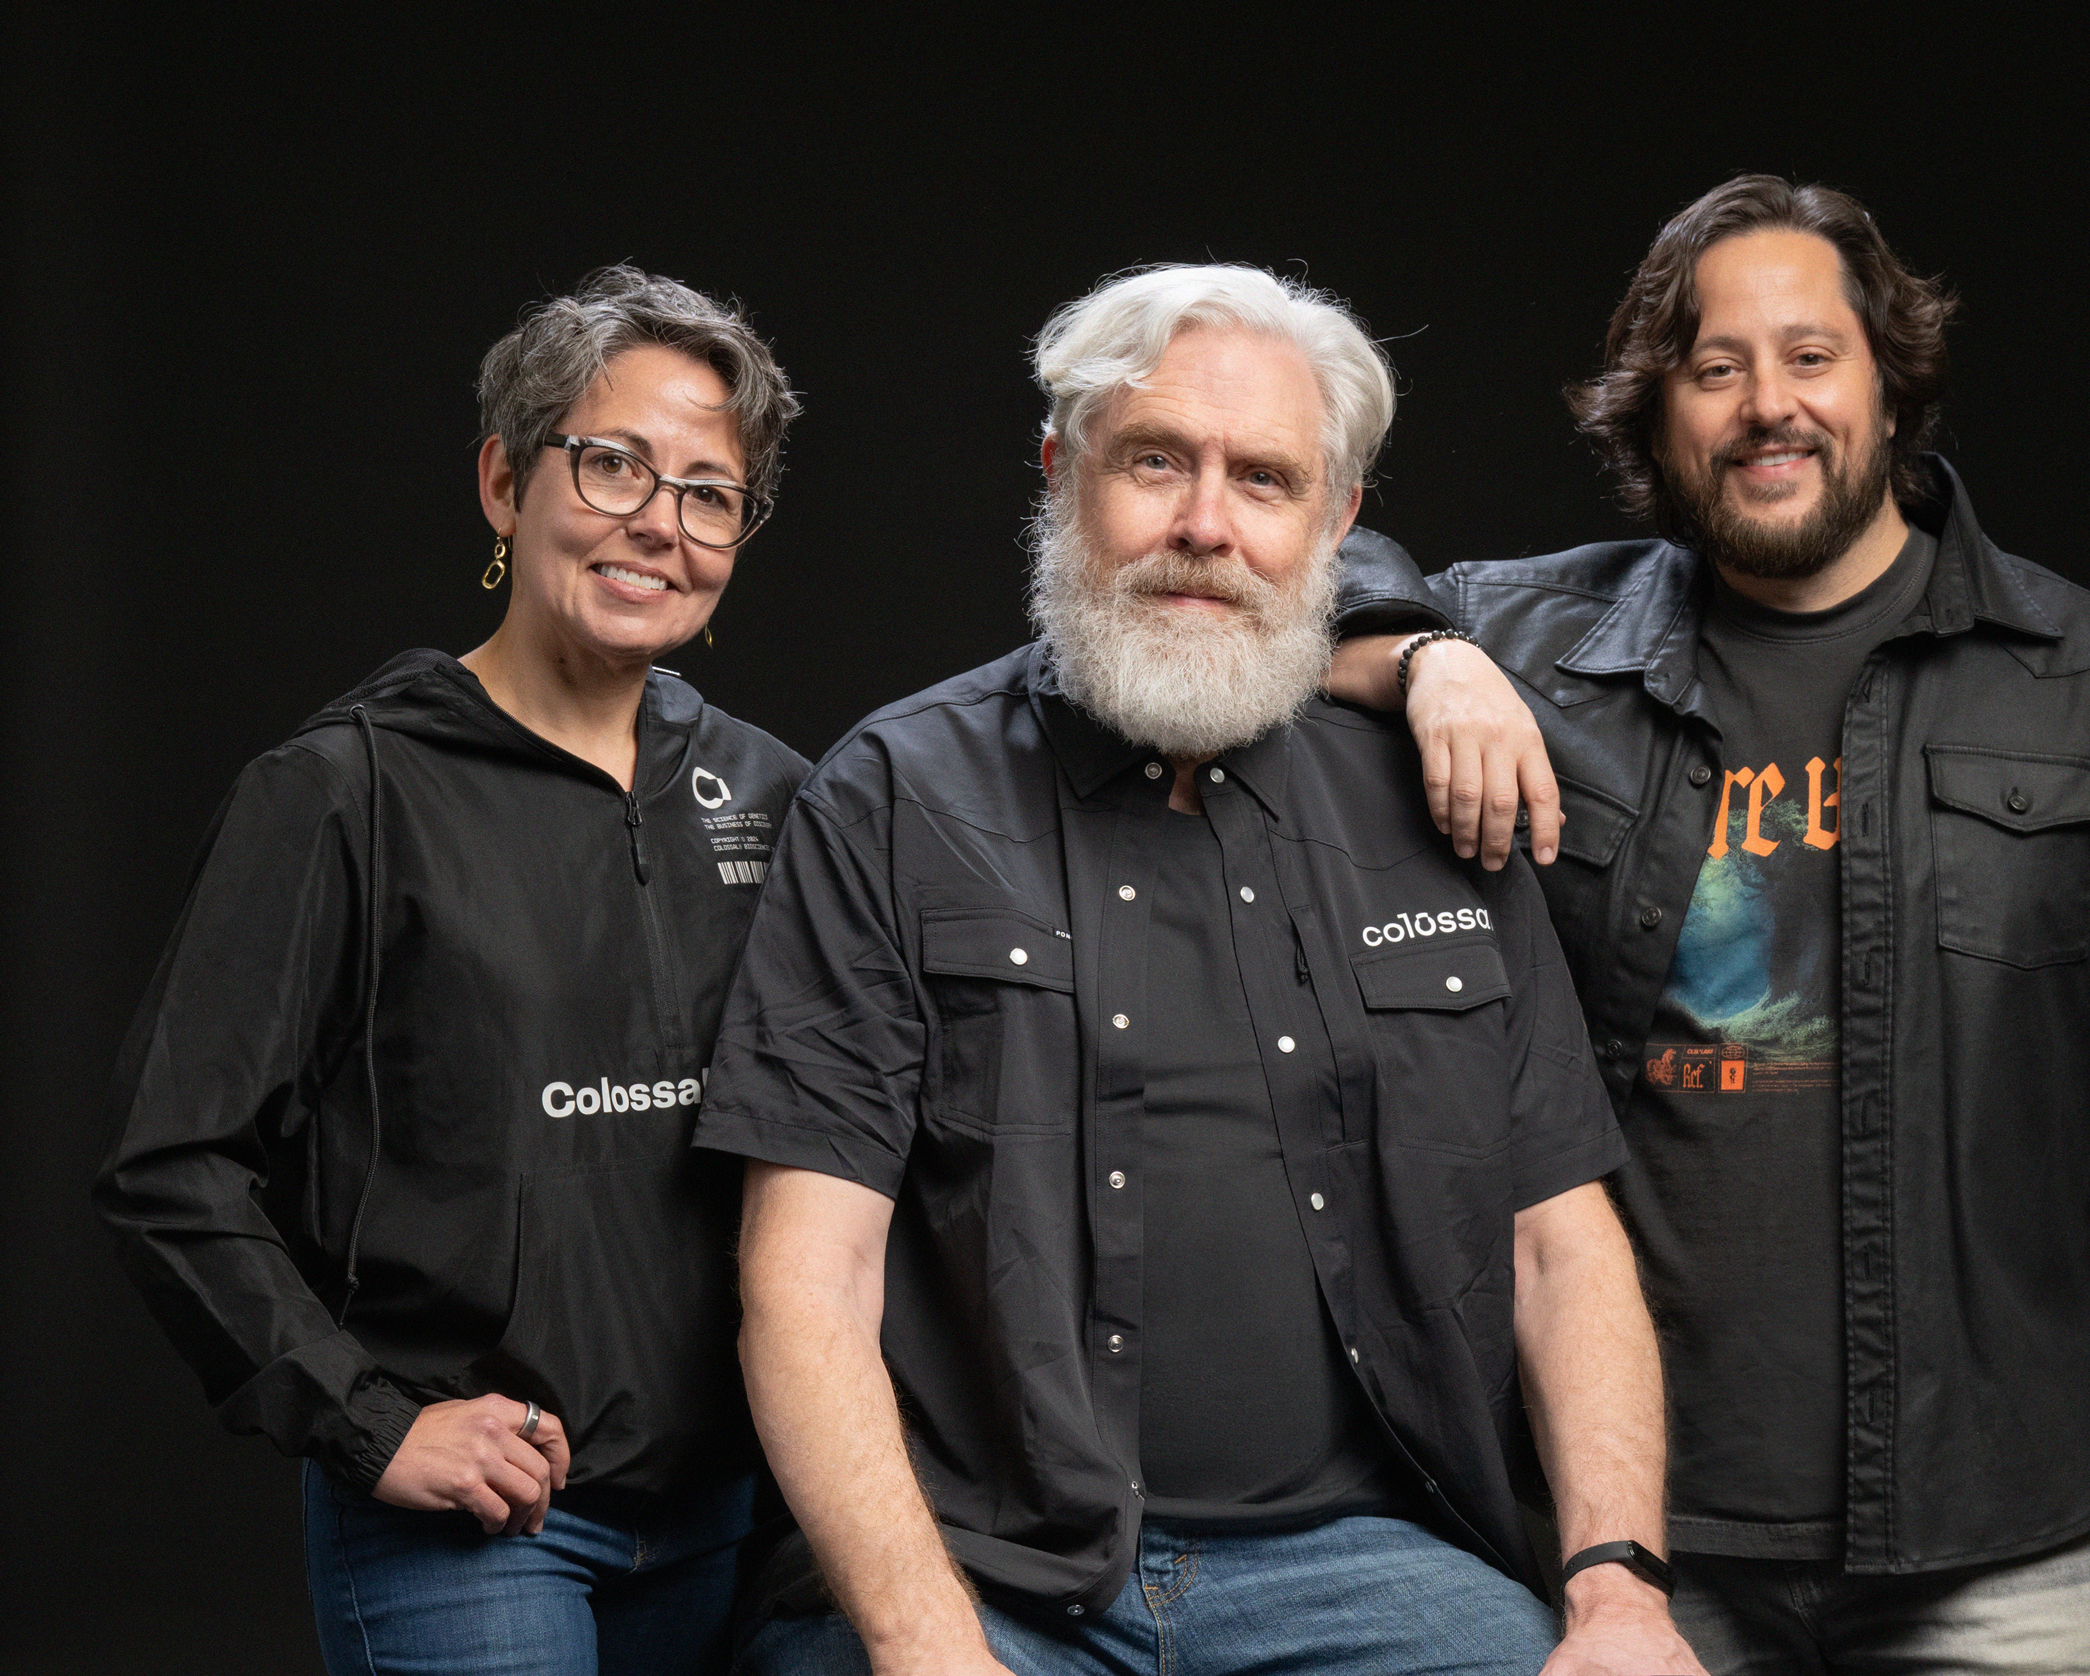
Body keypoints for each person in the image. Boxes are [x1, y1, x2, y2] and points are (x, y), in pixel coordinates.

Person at [1325, 175, 2090, 1673]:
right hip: (1624, 1528)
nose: (1764, 407)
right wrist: (1420, 658)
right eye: (1713, 367)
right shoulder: (1529, 643)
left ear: (1889, 383)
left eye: (1810, 357)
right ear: (1654, 413)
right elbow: (1289, 591)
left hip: (1997, 1520)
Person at [692, 265, 1705, 1676]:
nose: (1204, 527)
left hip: (1362, 1568)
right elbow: (807, 1279)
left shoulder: (1432, 806)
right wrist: (931, 1648)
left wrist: (1616, 1592)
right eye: (1154, 461)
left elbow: (1558, 1243)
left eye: (1267, 480)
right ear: (1061, 471)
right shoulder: (895, 795)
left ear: (1337, 523)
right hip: (984, 1571)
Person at [94, 265, 809, 1675]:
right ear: (504, 483)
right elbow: (168, 1161)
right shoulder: (344, 791)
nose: (658, 525)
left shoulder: (777, 796)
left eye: (708, 492)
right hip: (485, 1531)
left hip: (747, 1520)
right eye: (612, 466)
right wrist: (367, 1418)